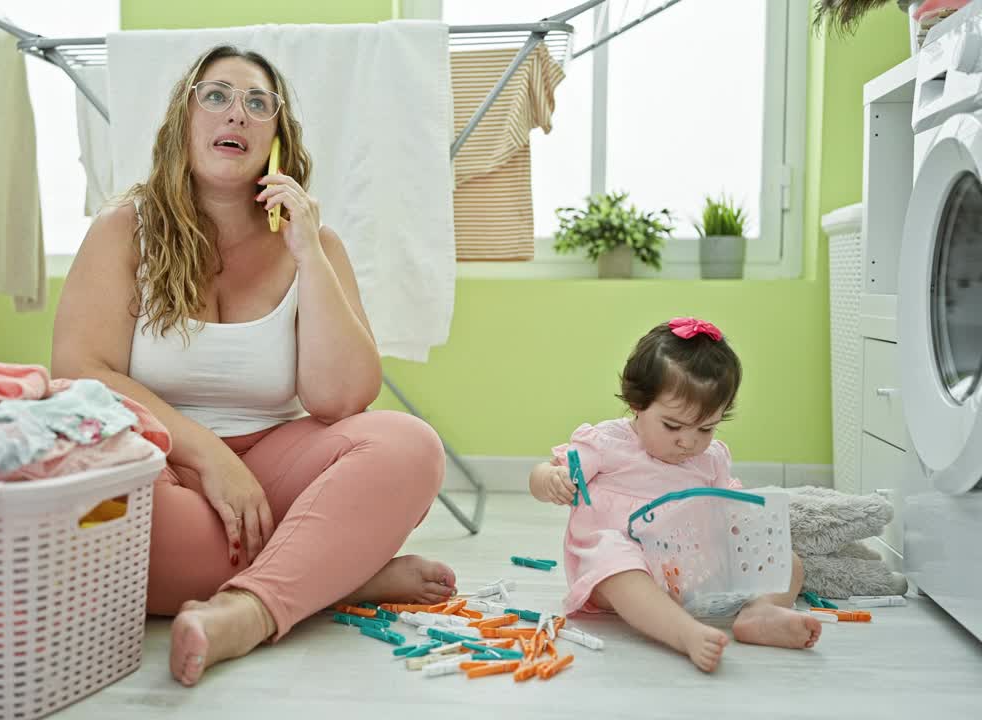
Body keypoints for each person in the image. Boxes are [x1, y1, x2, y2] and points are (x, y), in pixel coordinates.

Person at [51, 45, 456, 687]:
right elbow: (82, 371)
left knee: (411, 447)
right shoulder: (124, 228)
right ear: (183, 121)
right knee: (99, 524)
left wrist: (308, 256)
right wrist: (209, 455)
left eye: (257, 104)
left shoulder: (313, 244)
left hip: (275, 467)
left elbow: (343, 398)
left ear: (276, 137)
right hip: (163, 467)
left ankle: (246, 613)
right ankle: (341, 569)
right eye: (215, 96)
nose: (235, 114)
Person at [528, 317, 821, 672]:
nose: (689, 441)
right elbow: (540, 476)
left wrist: (747, 528)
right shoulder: (609, 444)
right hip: (622, 573)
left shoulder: (710, 459)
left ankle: (759, 615)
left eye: (706, 427)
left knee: (788, 562)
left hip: (690, 576)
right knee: (614, 558)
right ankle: (684, 634)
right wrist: (552, 479)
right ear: (638, 404)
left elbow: (731, 507)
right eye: (672, 426)